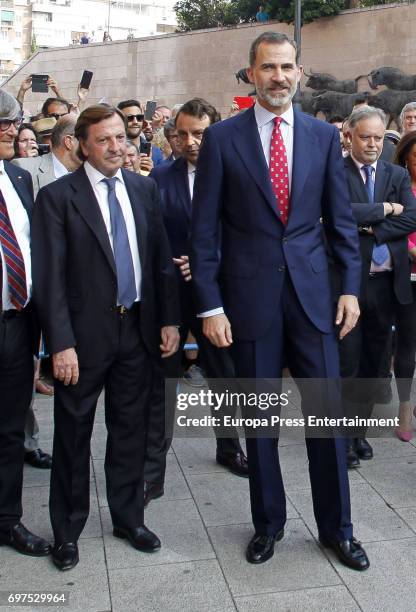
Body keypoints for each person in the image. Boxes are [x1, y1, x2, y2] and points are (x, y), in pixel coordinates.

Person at [190, 31, 369, 571]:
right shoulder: (223, 139)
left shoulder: (320, 137)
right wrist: (210, 306)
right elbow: (204, 234)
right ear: (251, 73)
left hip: (316, 299)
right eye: (269, 67)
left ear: (299, 70)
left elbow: (340, 224)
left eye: (288, 66)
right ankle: (268, 524)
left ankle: (338, 528)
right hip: (249, 302)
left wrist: (350, 290)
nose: (280, 77)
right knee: (261, 422)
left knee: (326, 419)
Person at [31, 104, 180, 571]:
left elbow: (160, 262)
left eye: (122, 137)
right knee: (73, 436)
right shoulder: (58, 197)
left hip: (136, 330)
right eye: (105, 140)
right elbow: (50, 278)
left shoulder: (144, 188)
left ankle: (128, 517)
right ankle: (68, 529)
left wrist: (170, 321)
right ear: (82, 145)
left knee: (131, 430)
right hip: (83, 338)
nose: (118, 147)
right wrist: (61, 343)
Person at [147, 98, 248, 506]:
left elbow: (246, 234)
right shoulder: (159, 177)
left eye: (200, 133)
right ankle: (153, 469)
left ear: (215, 131)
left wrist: (210, 261)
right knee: (164, 383)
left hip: (217, 295)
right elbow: (151, 237)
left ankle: (229, 447)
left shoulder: (236, 176)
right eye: (183, 133)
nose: (190, 142)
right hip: (170, 296)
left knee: (223, 376)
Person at [339, 106, 416, 464]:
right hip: (349, 287)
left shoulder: (396, 172)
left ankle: (358, 433)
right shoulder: (335, 172)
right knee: (348, 361)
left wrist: (370, 227)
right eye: (364, 137)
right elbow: (337, 214)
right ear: (350, 136)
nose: (372, 144)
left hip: (387, 285)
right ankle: (341, 437)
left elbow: (413, 216)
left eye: (377, 137)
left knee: (373, 362)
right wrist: (386, 209)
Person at [0, 89, 52, 557]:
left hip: (16, 324)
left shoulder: (18, 179)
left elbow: (31, 253)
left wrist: (39, 341)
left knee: (10, 426)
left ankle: (7, 519)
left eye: (10, 121)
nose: (10, 129)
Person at [393, 131, 416, 440]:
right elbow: (392, 227)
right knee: (408, 344)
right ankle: (404, 407)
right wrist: (410, 250)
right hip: (407, 277)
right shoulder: (398, 188)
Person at [13, 114, 80, 197]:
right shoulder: (24, 168)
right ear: (69, 142)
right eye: (86, 138)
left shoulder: (88, 177)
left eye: (33, 140)